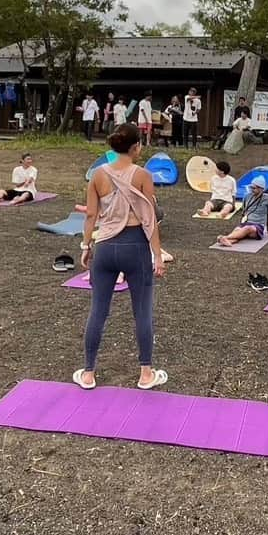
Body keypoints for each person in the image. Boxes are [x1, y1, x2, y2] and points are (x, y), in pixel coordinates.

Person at [74, 123, 167, 391]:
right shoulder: (143, 175)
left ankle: (89, 373)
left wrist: (85, 246)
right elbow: (150, 219)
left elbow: (91, 215)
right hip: (135, 246)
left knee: (98, 311)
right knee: (142, 312)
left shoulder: (97, 175)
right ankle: (146, 374)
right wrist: (158, 256)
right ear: (136, 146)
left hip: (104, 247)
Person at [217, 175, 268, 246]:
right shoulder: (247, 196)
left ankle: (225, 237)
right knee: (238, 231)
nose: (251, 189)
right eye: (251, 187)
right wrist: (241, 223)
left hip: (258, 225)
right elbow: (244, 211)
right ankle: (229, 242)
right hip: (246, 222)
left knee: (247, 228)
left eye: (254, 188)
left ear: (261, 189)